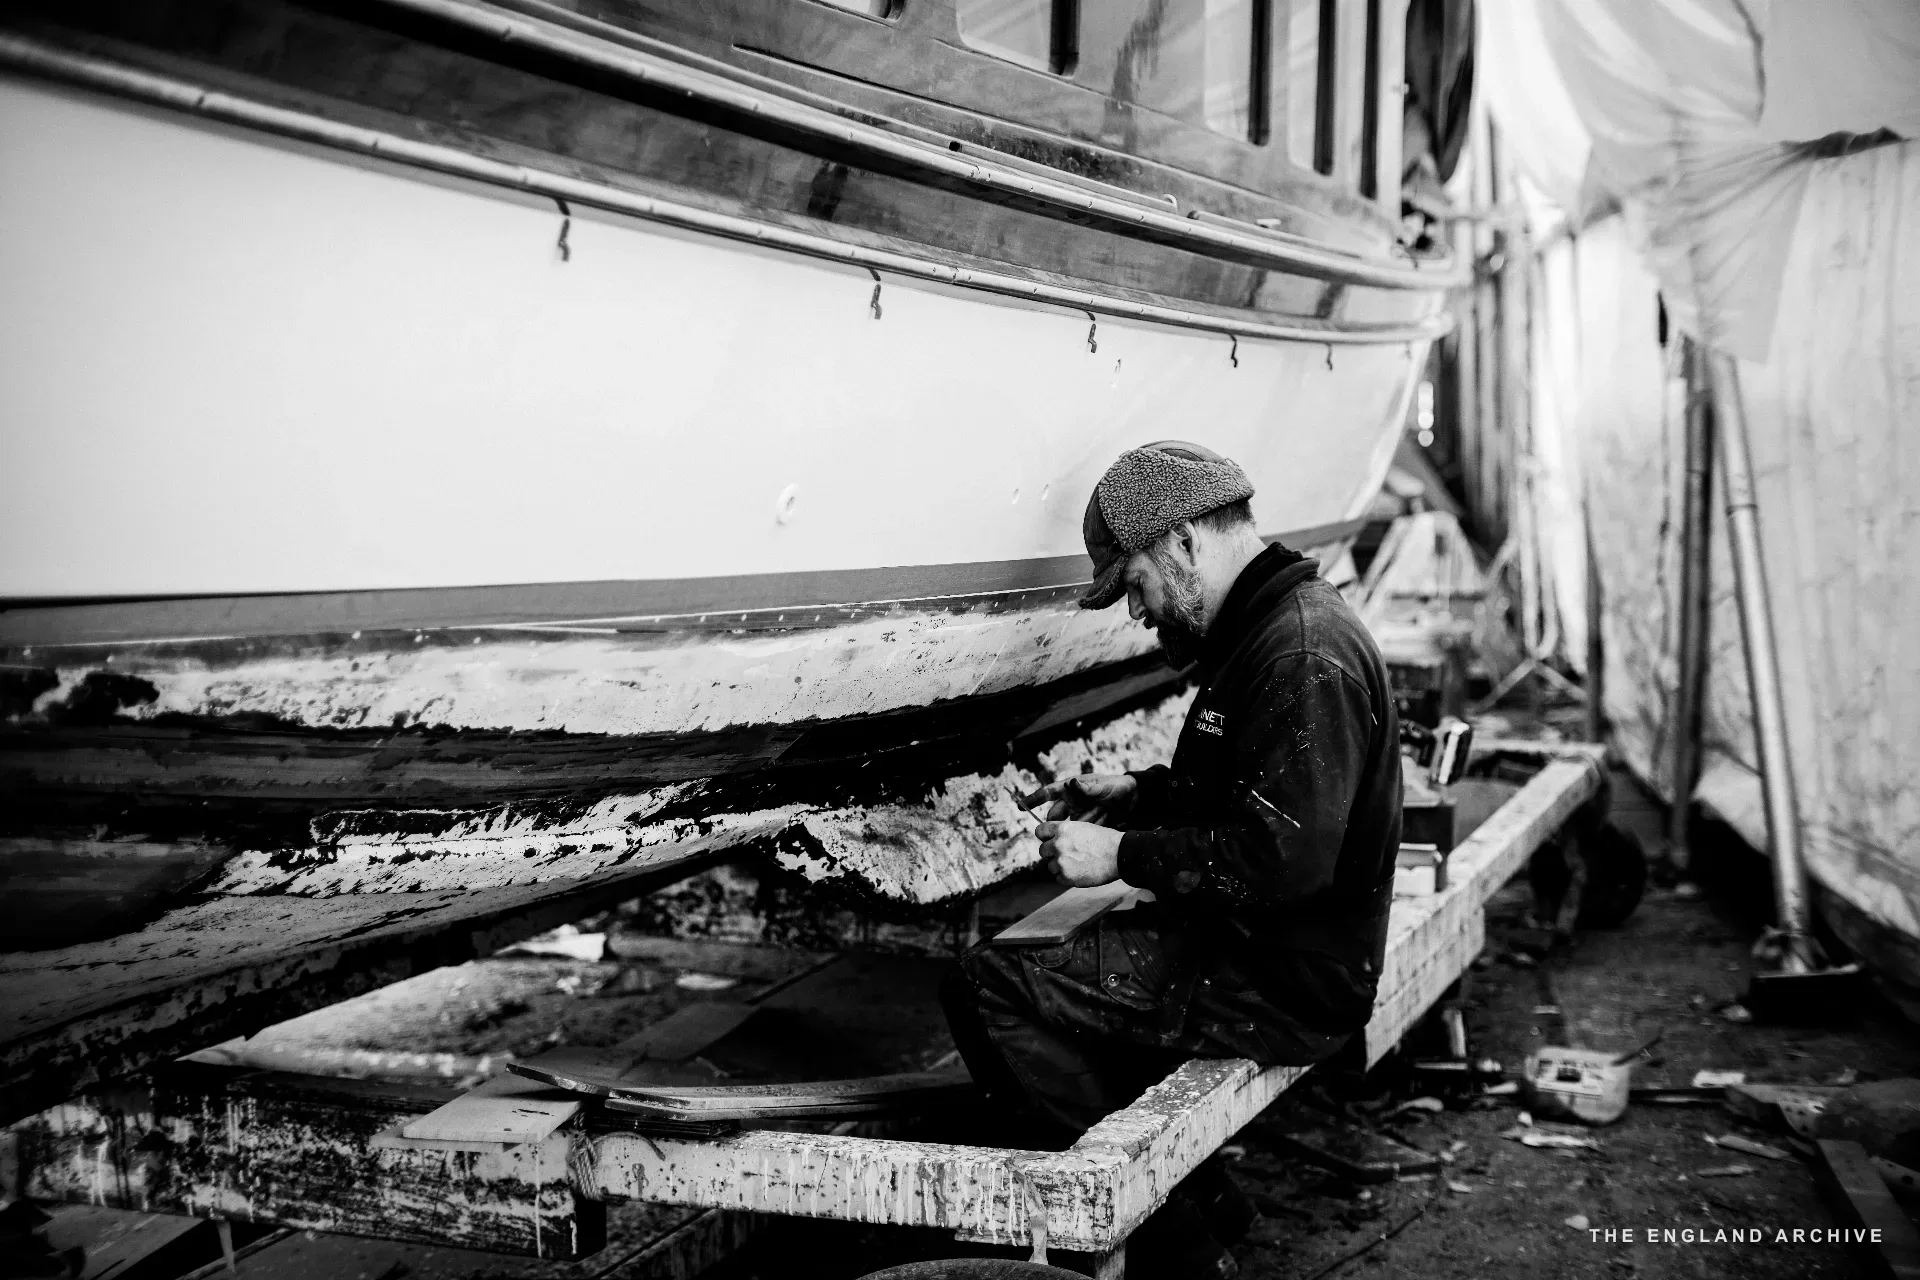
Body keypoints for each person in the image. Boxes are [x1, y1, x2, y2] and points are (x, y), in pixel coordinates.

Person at [940, 441, 1404, 1277]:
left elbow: (1283, 864)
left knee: (989, 985)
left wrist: (1121, 855)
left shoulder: (1299, 655)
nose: (1137, 613)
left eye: (1136, 586)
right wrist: (1138, 795)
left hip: (1288, 978)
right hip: (1270, 945)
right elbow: (1248, 799)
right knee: (1055, 977)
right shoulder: (1271, 629)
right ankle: (1206, 1203)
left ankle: (1175, 1245)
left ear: (1184, 543)